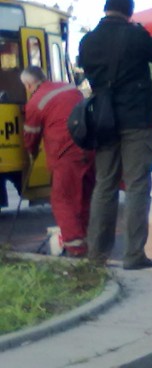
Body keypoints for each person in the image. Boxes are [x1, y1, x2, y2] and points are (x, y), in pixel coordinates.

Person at [78, 0, 152, 270]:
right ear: (129, 12)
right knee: (136, 186)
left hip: (103, 121)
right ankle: (134, 255)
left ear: (106, 9)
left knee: (104, 185)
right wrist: (141, 33)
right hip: (136, 120)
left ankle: (96, 256)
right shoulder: (135, 35)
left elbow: (88, 70)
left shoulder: (88, 41)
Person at [20, 66, 95, 257]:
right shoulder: (68, 88)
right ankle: (88, 241)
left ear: (29, 85)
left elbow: (30, 136)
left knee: (63, 200)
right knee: (84, 198)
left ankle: (75, 249)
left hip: (65, 154)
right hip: (88, 150)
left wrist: (31, 152)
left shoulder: (35, 102)